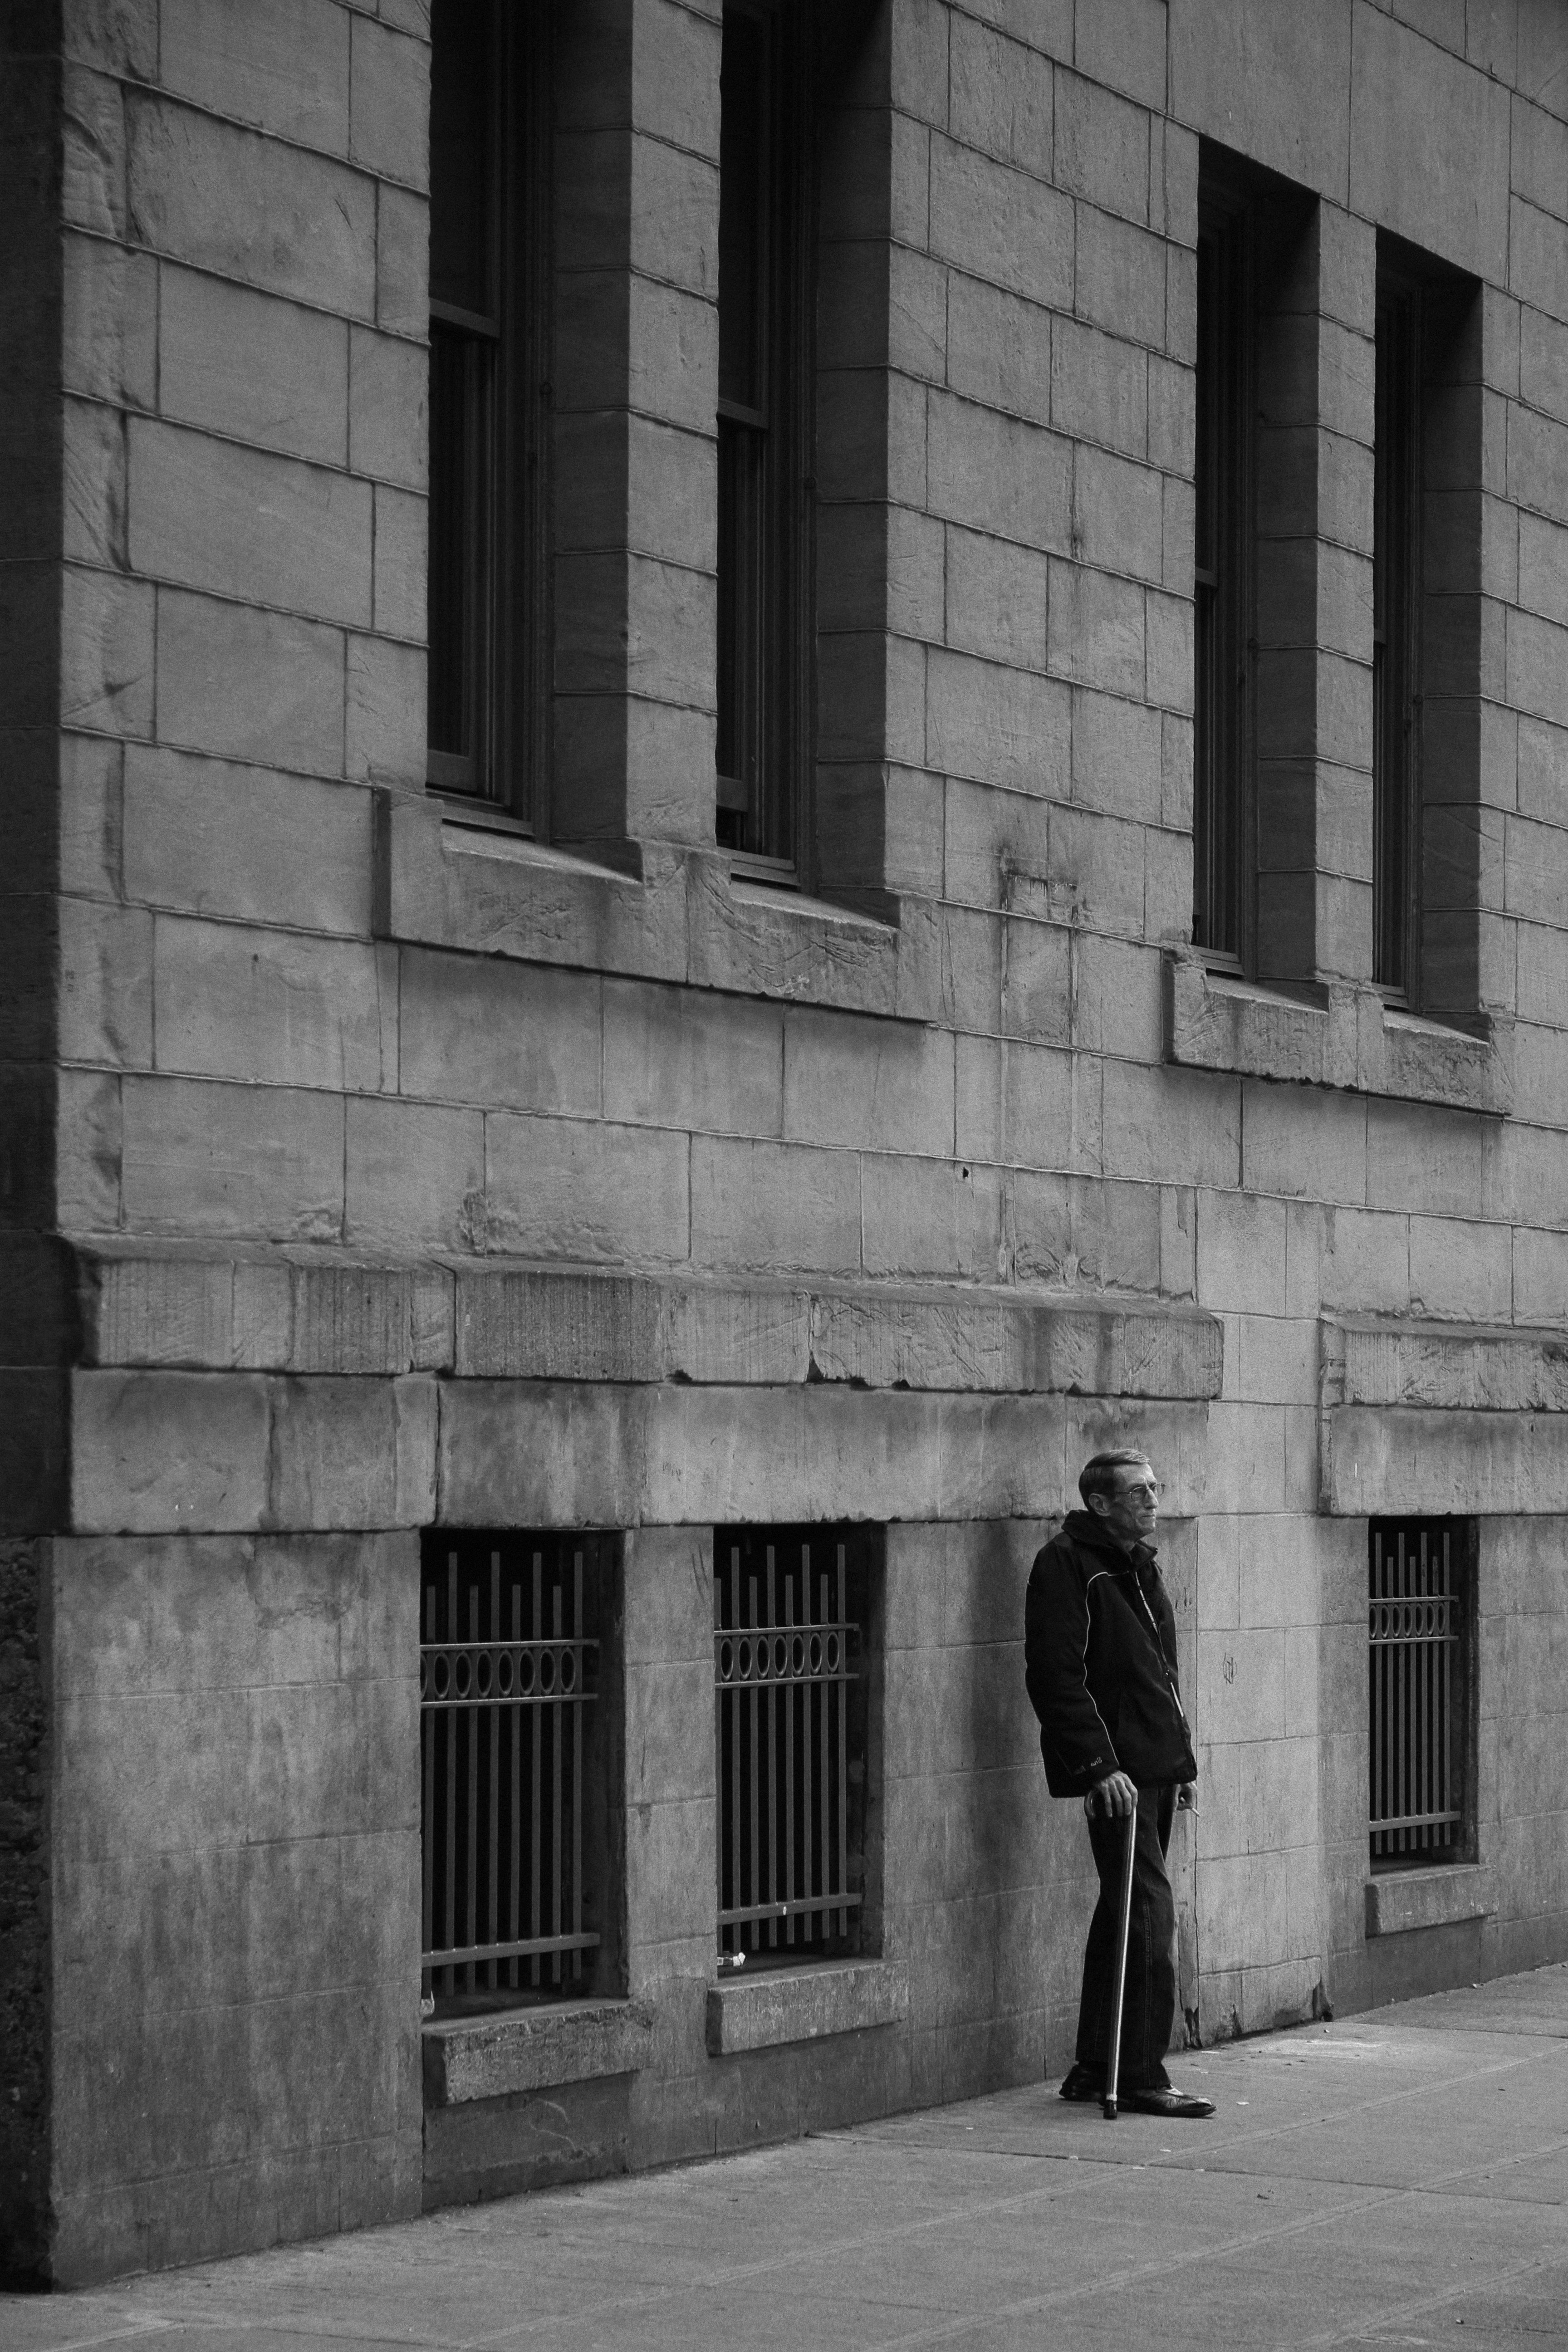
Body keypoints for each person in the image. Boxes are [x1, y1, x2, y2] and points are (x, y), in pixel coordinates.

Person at [1023, 1448, 1215, 2118]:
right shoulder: (1068, 1565)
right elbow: (1056, 1676)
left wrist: (1181, 1765)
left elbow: (1158, 1676)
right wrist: (1098, 1767)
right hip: (1118, 1779)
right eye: (1137, 1491)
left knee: (1124, 1917)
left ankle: (1093, 2066)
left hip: (1154, 1772)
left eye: (1156, 1488)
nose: (1152, 1500)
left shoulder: (1137, 1568)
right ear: (1100, 1503)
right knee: (1149, 1915)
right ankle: (1135, 2074)